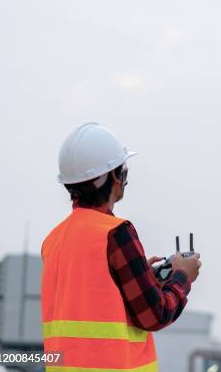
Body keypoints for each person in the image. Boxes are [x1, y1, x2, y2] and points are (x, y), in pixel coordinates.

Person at [41, 122, 202, 371]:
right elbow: (156, 314)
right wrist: (183, 276)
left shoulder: (53, 240)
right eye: (123, 169)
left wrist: (143, 280)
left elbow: (94, 305)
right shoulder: (116, 233)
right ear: (115, 176)